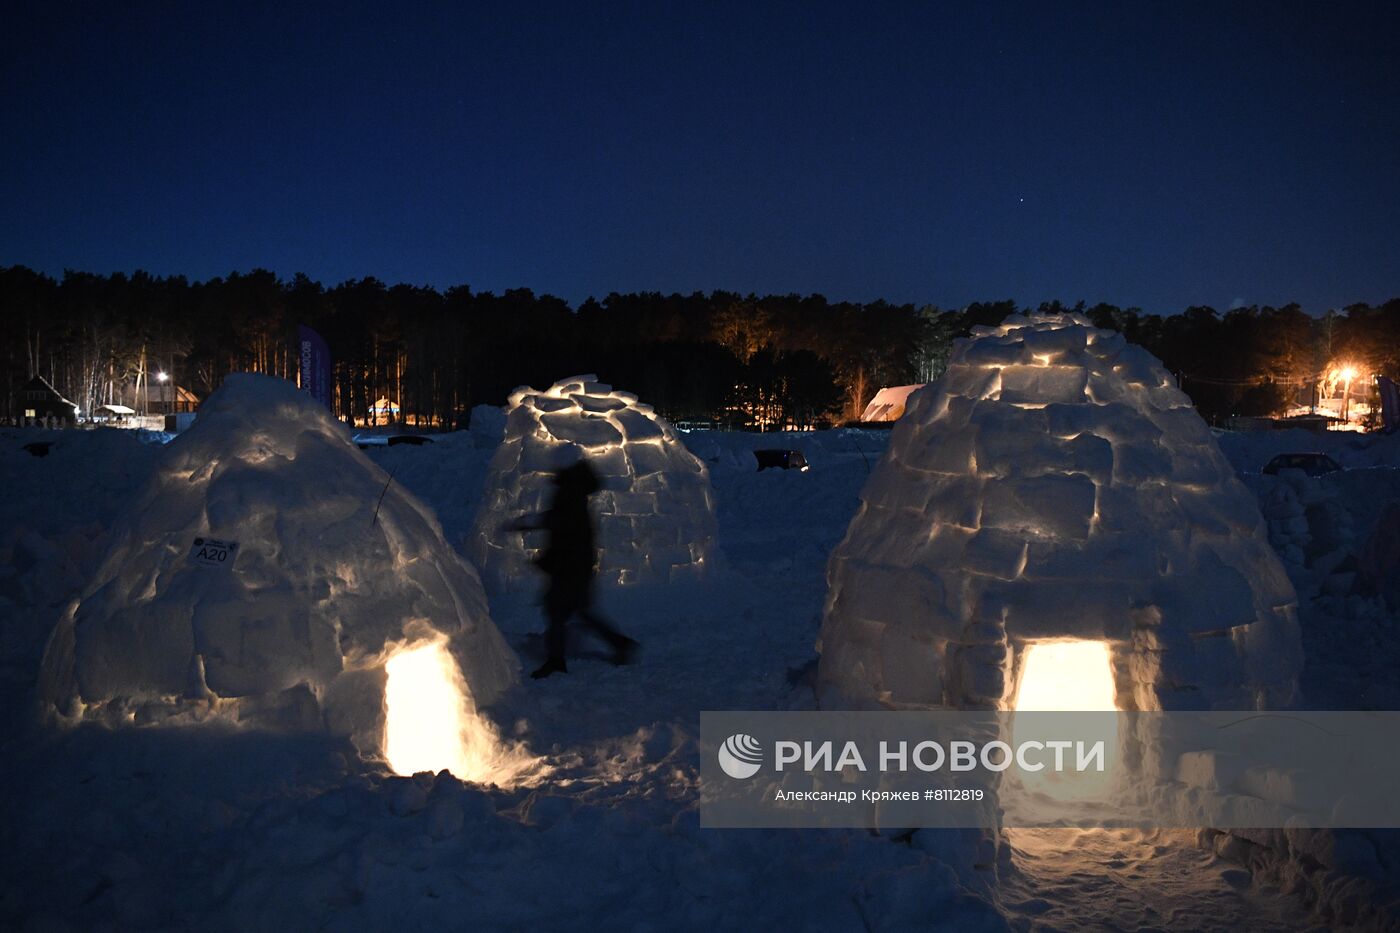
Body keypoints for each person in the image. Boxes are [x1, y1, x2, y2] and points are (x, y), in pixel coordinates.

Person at [507, 457, 637, 679]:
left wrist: (528, 526)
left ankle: (557, 660)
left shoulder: (570, 494)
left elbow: (560, 526)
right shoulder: (575, 493)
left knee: (558, 612)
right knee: (578, 611)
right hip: (576, 566)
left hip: (570, 567)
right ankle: (620, 643)